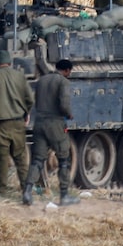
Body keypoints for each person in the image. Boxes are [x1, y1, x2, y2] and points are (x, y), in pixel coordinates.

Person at [22, 59, 76, 207]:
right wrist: (69, 114)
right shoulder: (63, 82)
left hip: (39, 123)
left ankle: (27, 192)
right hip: (55, 124)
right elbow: (64, 104)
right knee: (63, 159)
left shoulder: (41, 80)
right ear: (67, 71)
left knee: (37, 160)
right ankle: (64, 195)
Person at [0, 49, 34, 197]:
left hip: (1, 125)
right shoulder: (20, 76)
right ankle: (26, 190)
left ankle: (0, 192)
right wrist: (26, 113)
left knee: (1, 159)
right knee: (21, 158)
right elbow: (30, 99)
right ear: (10, 62)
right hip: (18, 123)